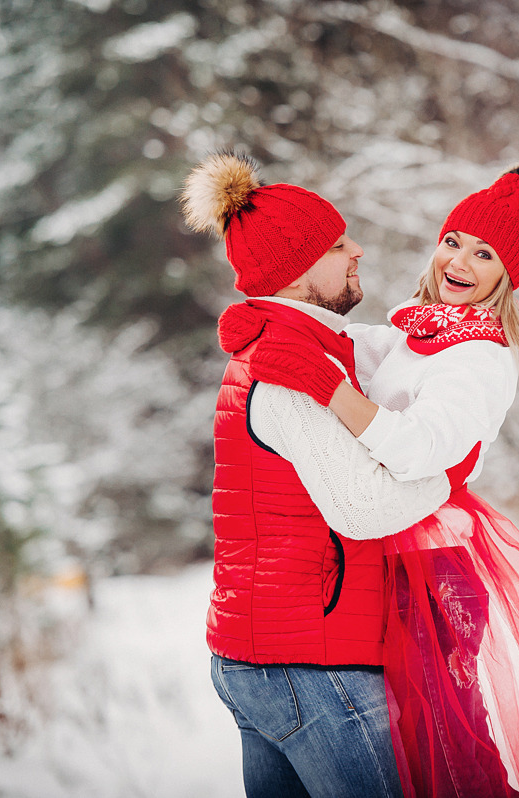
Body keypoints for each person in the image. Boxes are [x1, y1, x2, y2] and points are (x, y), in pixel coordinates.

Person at [252, 161, 519, 797]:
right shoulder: (417, 330)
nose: (459, 262)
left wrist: (330, 391)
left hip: (435, 572)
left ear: (507, 276)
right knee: (408, 743)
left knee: (447, 749)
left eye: (485, 254)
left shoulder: (481, 356)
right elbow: (340, 342)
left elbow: (415, 448)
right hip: (392, 552)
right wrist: (265, 323)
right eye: (453, 241)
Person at [181, 151, 460, 798]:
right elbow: (361, 508)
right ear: (296, 269)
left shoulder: (289, 349)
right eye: (338, 245)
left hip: (264, 654)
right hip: (312, 662)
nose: (357, 249)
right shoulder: (287, 369)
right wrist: (452, 470)